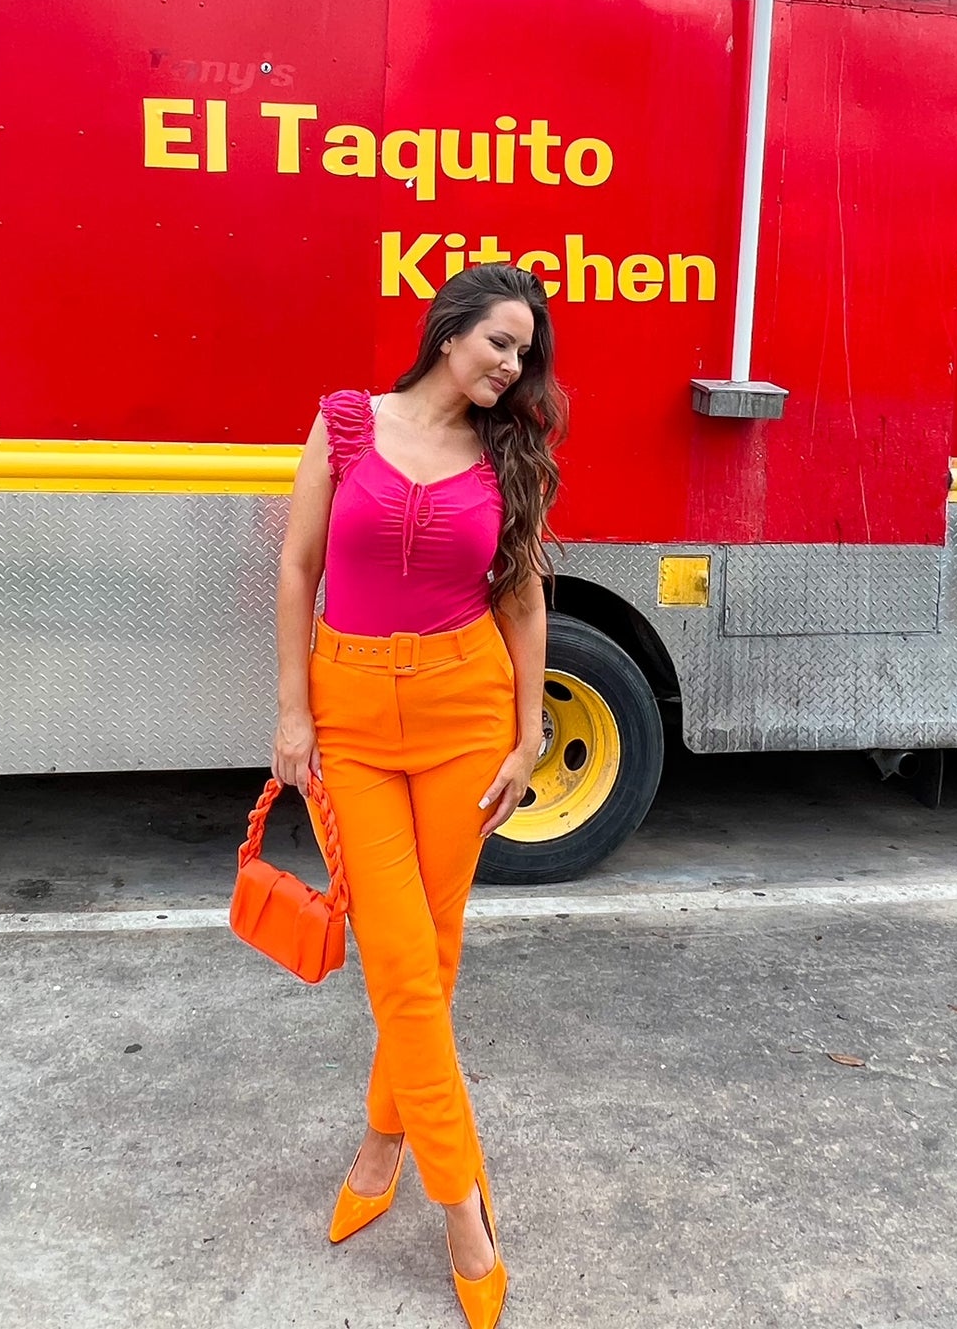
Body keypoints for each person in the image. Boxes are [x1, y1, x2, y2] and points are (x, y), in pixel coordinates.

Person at [272, 263, 565, 1329]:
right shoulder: (346, 423)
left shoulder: (507, 455)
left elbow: (523, 599)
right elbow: (298, 569)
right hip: (348, 716)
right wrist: (293, 712)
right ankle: (461, 1205)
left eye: (524, 352)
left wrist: (528, 733)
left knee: (425, 959)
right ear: (449, 332)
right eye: (500, 341)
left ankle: (382, 1143)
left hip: (464, 714)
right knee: (401, 959)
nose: (512, 365)